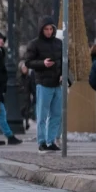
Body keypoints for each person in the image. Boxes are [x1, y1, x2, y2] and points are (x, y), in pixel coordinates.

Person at [25, 20, 64, 152]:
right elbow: (28, 62)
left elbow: (65, 60)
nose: (49, 32)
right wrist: (42, 63)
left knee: (56, 114)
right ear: (41, 30)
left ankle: (51, 140)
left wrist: (63, 74)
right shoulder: (34, 44)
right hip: (43, 83)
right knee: (42, 115)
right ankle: (41, 142)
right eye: (46, 29)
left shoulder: (59, 43)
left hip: (57, 84)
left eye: (50, 29)